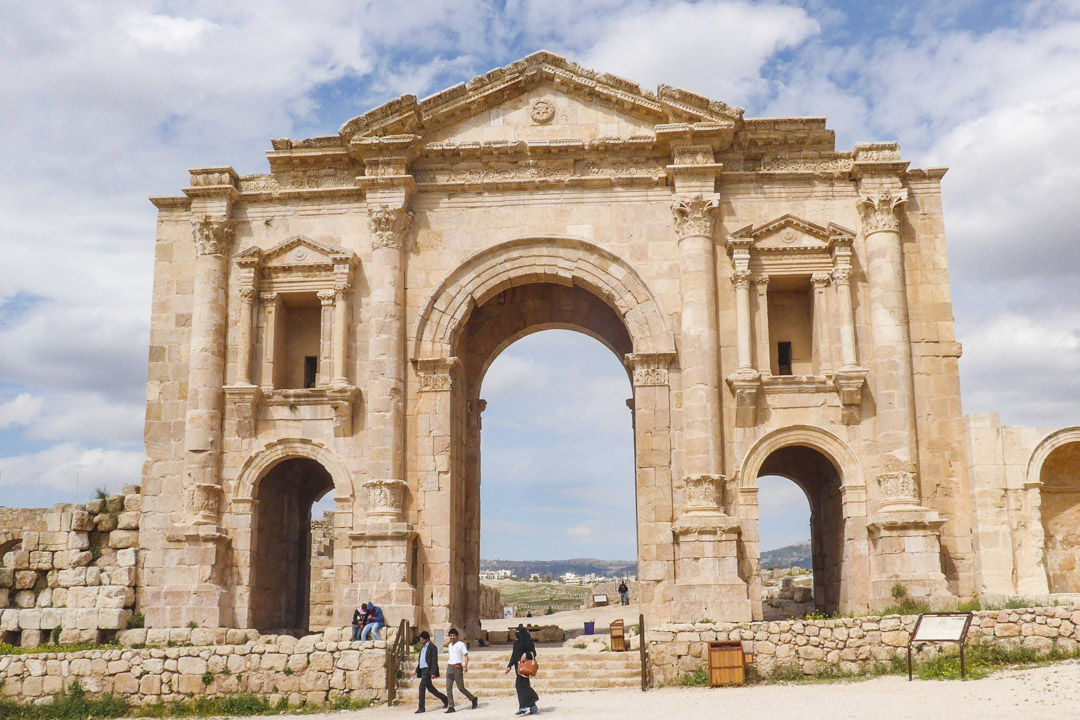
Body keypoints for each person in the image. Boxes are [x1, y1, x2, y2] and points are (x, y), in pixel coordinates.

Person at [505, 625, 539, 715]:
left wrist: (526, 654)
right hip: (518, 668)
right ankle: (533, 707)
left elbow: (534, 653)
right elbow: (514, 655)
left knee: (520, 686)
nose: (517, 635)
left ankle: (523, 707)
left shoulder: (528, 643)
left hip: (526, 668)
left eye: (518, 633)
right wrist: (509, 666)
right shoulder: (516, 644)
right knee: (525, 685)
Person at [444, 627, 478, 712]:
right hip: (449, 667)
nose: (452, 637)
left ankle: (473, 699)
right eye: (451, 636)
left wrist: (465, 666)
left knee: (461, 688)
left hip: (457, 668)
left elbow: (466, 656)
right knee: (448, 687)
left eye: (454, 636)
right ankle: (451, 706)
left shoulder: (461, 644)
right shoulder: (449, 645)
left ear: (457, 636)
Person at [414, 631, 448, 714]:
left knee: (421, 687)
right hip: (422, 670)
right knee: (431, 689)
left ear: (427, 639)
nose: (421, 642)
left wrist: (433, 672)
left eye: (422, 640)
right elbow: (421, 660)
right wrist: (416, 670)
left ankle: (421, 707)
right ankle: (445, 699)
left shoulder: (432, 648)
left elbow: (434, 661)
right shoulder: (423, 648)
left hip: (428, 670)